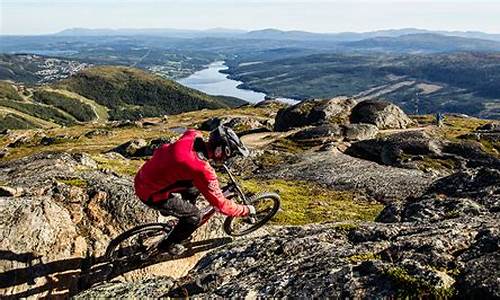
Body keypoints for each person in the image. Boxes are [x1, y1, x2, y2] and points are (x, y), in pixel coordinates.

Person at [134, 126, 256, 255]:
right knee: (195, 217)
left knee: (193, 189)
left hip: (144, 177)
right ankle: (167, 244)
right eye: (226, 156)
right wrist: (246, 210)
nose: (225, 160)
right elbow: (221, 206)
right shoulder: (202, 170)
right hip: (150, 193)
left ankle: (182, 218)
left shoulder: (193, 136)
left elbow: (190, 130)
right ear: (219, 150)